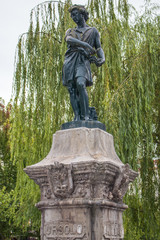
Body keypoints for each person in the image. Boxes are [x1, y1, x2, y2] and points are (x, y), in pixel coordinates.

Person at [62, 5, 105, 121]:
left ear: (83, 14)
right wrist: (85, 45)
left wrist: (102, 58)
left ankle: (85, 116)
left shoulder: (93, 31)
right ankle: (77, 117)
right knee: (71, 89)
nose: (73, 17)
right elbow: (69, 40)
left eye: (75, 14)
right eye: (72, 15)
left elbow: (99, 48)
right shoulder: (70, 31)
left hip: (83, 60)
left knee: (81, 84)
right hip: (70, 60)